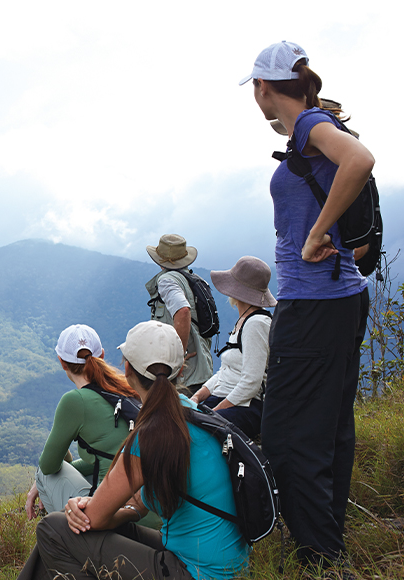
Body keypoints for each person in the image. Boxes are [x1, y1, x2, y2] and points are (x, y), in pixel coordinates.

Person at [240, 41, 372, 570]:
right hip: (342, 300)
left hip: (313, 305)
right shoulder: (315, 125)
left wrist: (317, 234)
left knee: (288, 436)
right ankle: (326, 543)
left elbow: (360, 161)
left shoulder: (311, 127)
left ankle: (319, 556)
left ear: (264, 87)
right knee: (330, 428)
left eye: (255, 87)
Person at [18, 321, 249, 580]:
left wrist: (82, 506)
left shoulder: (150, 434)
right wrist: (102, 509)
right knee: (74, 528)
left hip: (193, 572)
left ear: (127, 368)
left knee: (53, 527)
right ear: (181, 370)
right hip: (220, 566)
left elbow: (94, 519)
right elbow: (137, 503)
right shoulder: (189, 413)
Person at [24, 324, 160, 529]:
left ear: (62, 363)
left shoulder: (74, 401)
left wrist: (43, 479)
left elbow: (49, 465)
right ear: (102, 355)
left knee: (43, 475)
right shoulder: (127, 387)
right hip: (149, 511)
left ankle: (73, 542)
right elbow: (110, 455)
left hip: (112, 516)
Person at [190, 256, 276, 440]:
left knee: (194, 431)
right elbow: (225, 371)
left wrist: (213, 412)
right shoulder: (244, 321)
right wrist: (196, 398)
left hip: (246, 406)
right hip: (227, 399)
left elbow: (251, 382)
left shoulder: (256, 324)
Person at [145, 234, 214, 395]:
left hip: (183, 378)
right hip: (201, 372)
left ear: (160, 261)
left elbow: (183, 311)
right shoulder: (195, 280)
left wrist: (178, 357)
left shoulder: (167, 280)